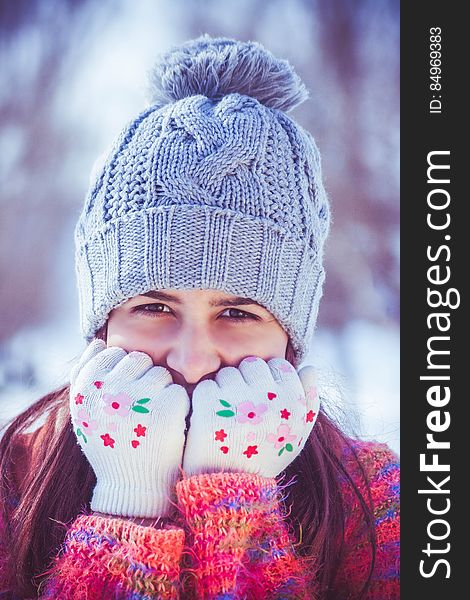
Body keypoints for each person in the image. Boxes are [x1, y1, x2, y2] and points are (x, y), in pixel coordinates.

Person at [0, 35, 399, 599]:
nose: (191, 358)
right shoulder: (12, 488)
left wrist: (234, 504)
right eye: (154, 306)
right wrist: (129, 505)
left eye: (237, 312)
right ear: (102, 325)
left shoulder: (378, 507)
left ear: (290, 336)